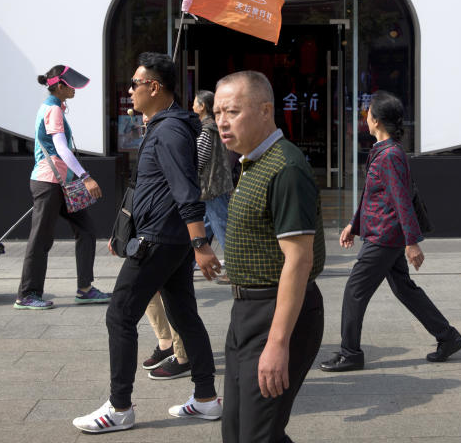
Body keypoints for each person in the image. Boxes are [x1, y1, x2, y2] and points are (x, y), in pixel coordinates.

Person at [73, 52, 222, 434]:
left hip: (160, 239)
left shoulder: (170, 130)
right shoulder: (165, 125)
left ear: (154, 87)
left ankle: (119, 407)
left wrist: (201, 243)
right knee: (184, 314)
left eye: (135, 84)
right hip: (165, 238)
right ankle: (206, 399)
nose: (130, 91)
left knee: (119, 314)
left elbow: (184, 188)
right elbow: (151, 186)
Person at [214, 70, 326, 443]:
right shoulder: (250, 161)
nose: (222, 122)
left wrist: (278, 344)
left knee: (256, 435)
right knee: (238, 430)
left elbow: (299, 260)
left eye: (232, 111)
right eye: (216, 113)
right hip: (245, 312)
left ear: (266, 110)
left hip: (276, 313)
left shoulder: (286, 168)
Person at [320, 91, 461, 372]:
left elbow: (401, 200)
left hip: (385, 236)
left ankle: (350, 353)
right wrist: (354, 224)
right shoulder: (385, 151)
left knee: (354, 291)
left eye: (367, 113)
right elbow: (374, 196)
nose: (365, 118)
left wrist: (412, 242)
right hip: (383, 232)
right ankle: (448, 336)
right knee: (404, 289)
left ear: (376, 120)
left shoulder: (390, 155)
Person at [15, 65, 109, 310]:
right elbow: (61, 149)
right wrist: (86, 177)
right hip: (48, 183)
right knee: (41, 239)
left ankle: (85, 289)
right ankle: (27, 294)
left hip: (60, 183)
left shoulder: (55, 107)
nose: (74, 89)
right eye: (71, 85)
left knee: (86, 230)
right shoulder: (53, 110)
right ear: (58, 86)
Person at [194, 89, 234, 257]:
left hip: (211, 188)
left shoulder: (206, 130)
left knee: (222, 228)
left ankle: (235, 269)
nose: (192, 106)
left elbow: (198, 160)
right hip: (218, 185)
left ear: (202, 106)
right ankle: (190, 263)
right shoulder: (214, 127)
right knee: (205, 227)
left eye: (195, 103)